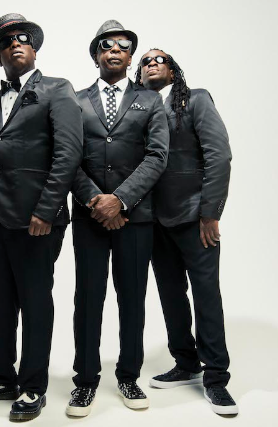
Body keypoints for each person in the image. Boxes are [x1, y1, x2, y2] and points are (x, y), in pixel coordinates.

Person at [0, 13, 83, 422]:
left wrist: (46, 210)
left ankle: (32, 386)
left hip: (37, 221)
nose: (15, 43)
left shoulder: (57, 90)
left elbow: (68, 154)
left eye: (23, 37)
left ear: (34, 49)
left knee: (34, 302)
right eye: (6, 40)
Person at [65, 21, 169, 417]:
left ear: (130, 57)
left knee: (132, 299)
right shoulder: (75, 100)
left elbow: (157, 156)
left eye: (123, 45)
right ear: (96, 55)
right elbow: (67, 157)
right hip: (90, 218)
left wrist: (121, 201)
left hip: (135, 219)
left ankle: (128, 375)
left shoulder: (150, 101)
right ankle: (85, 380)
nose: (114, 50)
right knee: (88, 299)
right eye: (106, 45)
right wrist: (97, 201)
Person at [136, 48, 237, 415]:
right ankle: (186, 362)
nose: (152, 63)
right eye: (145, 61)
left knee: (206, 295)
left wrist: (210, 212)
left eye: (159, 59)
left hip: (195, 218)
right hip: (153, 220)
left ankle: (216, 378)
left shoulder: (195, 100)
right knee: (170, 294)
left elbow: (219, 155)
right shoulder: (138, 109)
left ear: (173, 69)